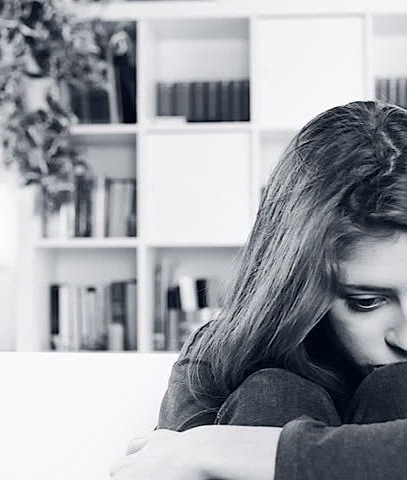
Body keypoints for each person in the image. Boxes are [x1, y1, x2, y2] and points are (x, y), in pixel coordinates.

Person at [109, 100, 407, 480]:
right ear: (299, 283)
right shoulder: (220, 356)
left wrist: (216, 447)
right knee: (273, 392)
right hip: (267, 391)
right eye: (366, 302)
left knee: (398, 385)